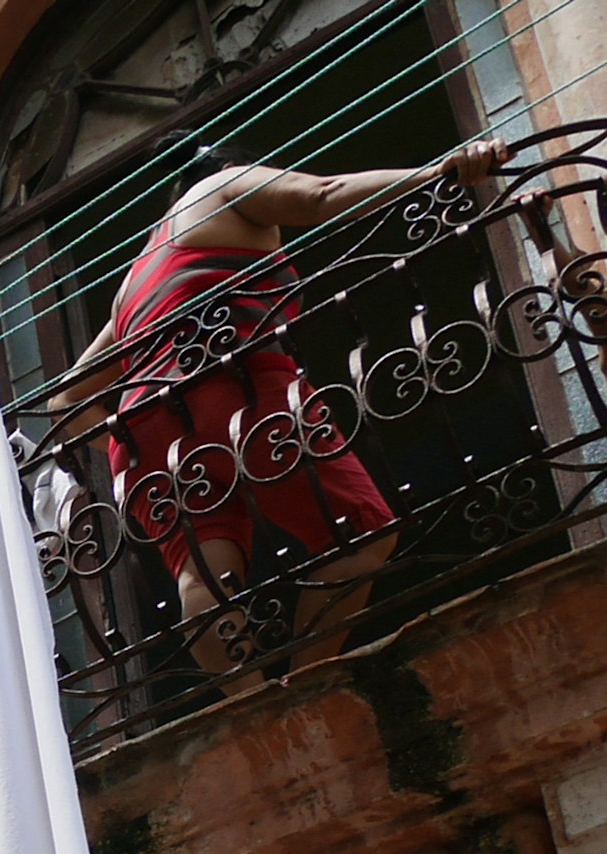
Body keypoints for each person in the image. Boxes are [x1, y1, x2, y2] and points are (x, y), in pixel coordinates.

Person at [80, 136, 505, 682]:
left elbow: (66, 401)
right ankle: (306, 679)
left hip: (151, 426)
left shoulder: (134, 277)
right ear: (227, 167)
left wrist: (131, 440)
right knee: (361, 534)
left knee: (205, 579)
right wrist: (436, 171)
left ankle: (250, 699)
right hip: (238, 386)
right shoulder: (222, 188)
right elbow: (321, 196)